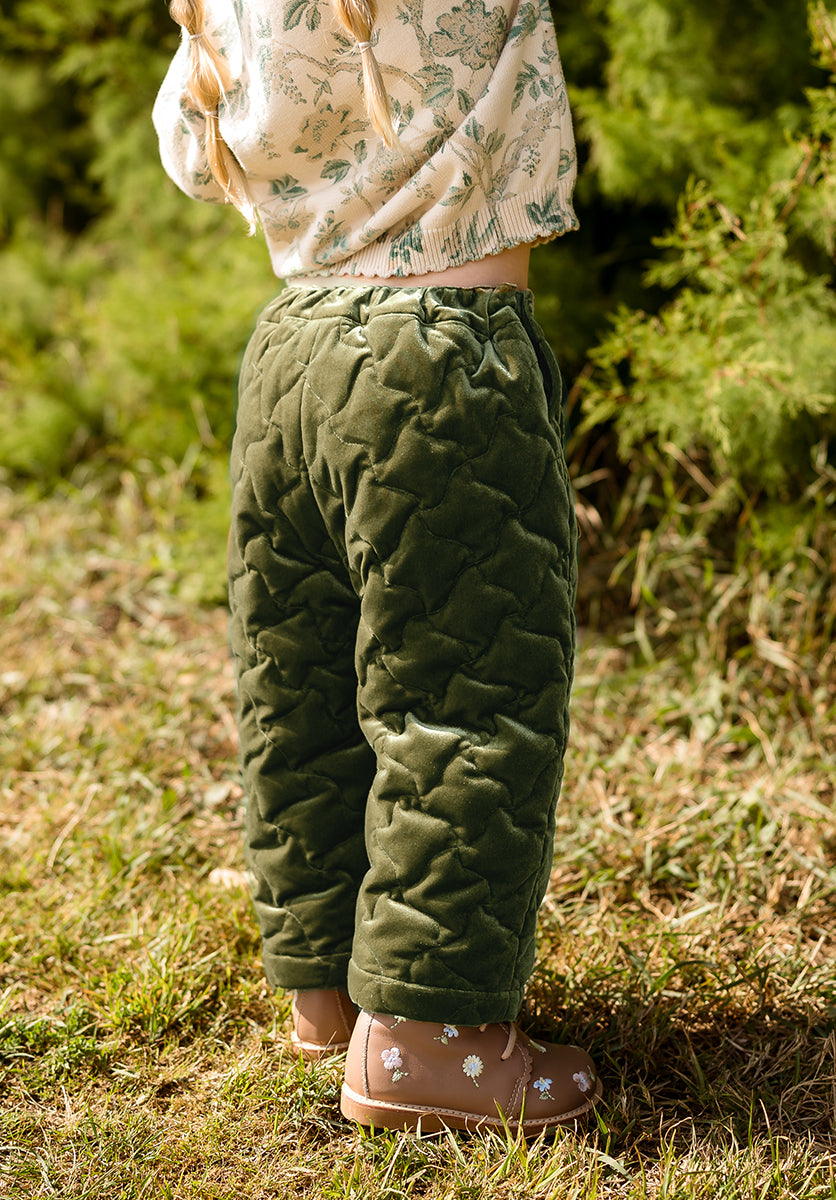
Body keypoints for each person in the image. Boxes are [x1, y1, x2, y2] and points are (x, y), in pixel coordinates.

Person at [153, 0, 601, 1135]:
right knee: (464, 696)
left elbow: (190, 152)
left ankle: (327, 989)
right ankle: (429, 1039)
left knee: (297, 687)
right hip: (441, 359)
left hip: (290, 354)